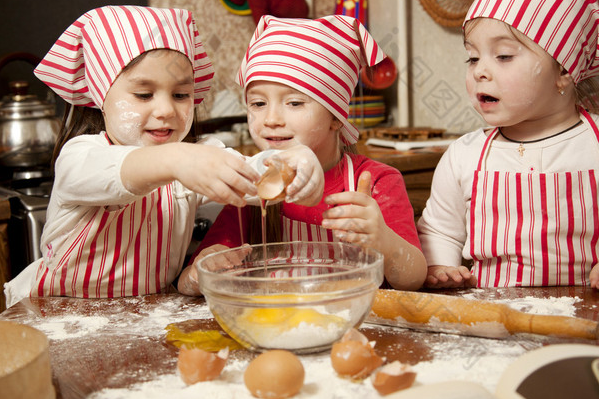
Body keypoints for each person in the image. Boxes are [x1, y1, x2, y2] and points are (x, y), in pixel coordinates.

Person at [3, 5, 324, 305]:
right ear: (101, 94)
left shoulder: (194, 155)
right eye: (144, 94)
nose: (167, 110)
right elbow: (119, 171)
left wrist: (292, 161)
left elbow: (250, 175)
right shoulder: (81, 156)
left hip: (150, 316)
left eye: (181, 94)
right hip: (56, 314)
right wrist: (177, 159)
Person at [417, 0, 599, 298]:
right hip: (495, 318)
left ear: (563, 69)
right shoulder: (464, 156)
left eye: (503, 55)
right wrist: (441, 268)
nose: (480, 71)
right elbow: (439, 231)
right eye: (473, 57)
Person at [178, 15, 428, 292]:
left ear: (336, 117)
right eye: (258, 103)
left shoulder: (376, 181)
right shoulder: (251, 187)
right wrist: (200, 273)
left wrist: (383, 239)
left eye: (295, 102)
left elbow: (413, 278)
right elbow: (189, 280)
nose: (271, 119)